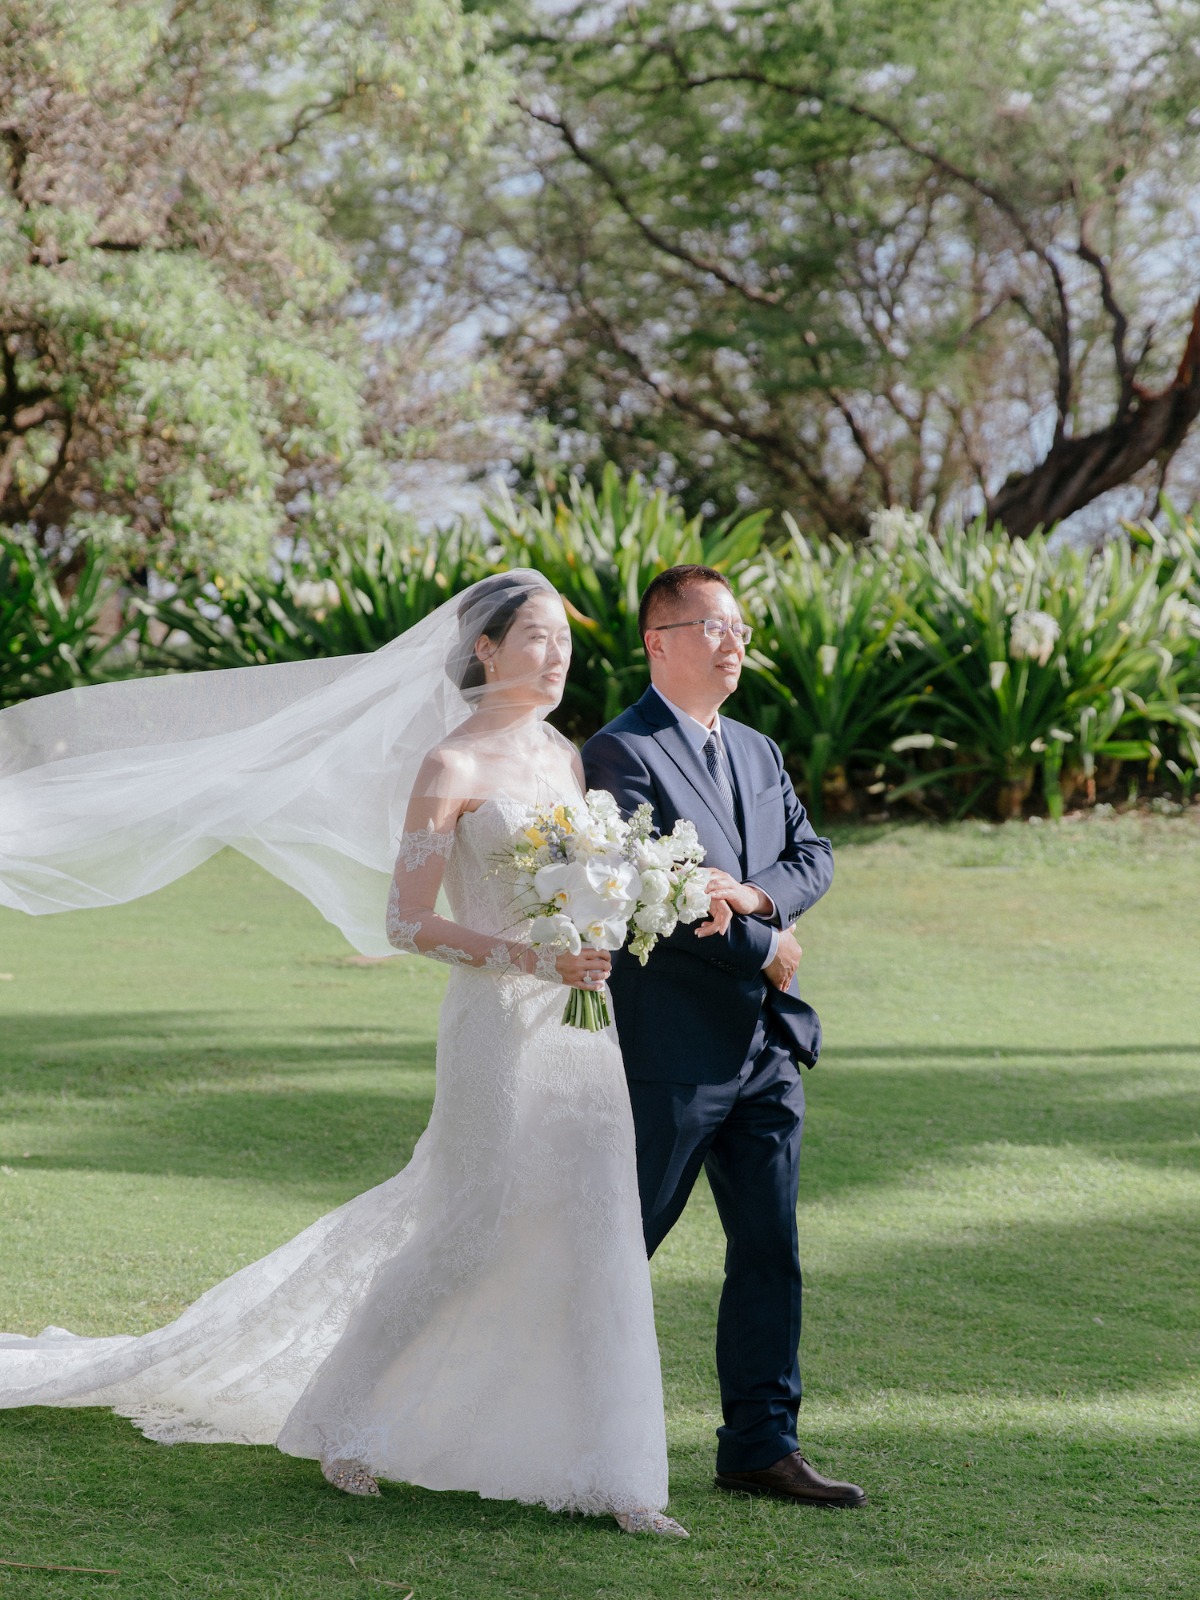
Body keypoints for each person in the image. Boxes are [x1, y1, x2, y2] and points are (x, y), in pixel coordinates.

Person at [0, 570, 686, 1537]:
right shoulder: (450, 767)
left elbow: (584, 889)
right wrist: (528, 954)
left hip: (580, 1025)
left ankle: (615, 1474)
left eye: (563, 639)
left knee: (589, 1220)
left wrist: (604, 932)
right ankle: (346, 1417)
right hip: (495, 1025)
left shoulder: (569, 760)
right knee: (470, 1222)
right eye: (534, 636)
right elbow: (407, 922)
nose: (557, 652)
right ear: (485, 650)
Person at [582, 564, 867, 1509]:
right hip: (669, 1051)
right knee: (623, 1247)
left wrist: (761, 905)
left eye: (739, 624)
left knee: (769, 1250)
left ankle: (760, 1443)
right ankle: (559, 1426)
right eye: (711, 624)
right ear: (658, 641)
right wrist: (771, 948)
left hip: (763, 1053)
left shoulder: (756, 747)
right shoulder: (619, 754)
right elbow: (651, 904)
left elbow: (810, 854)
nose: (732, 639)